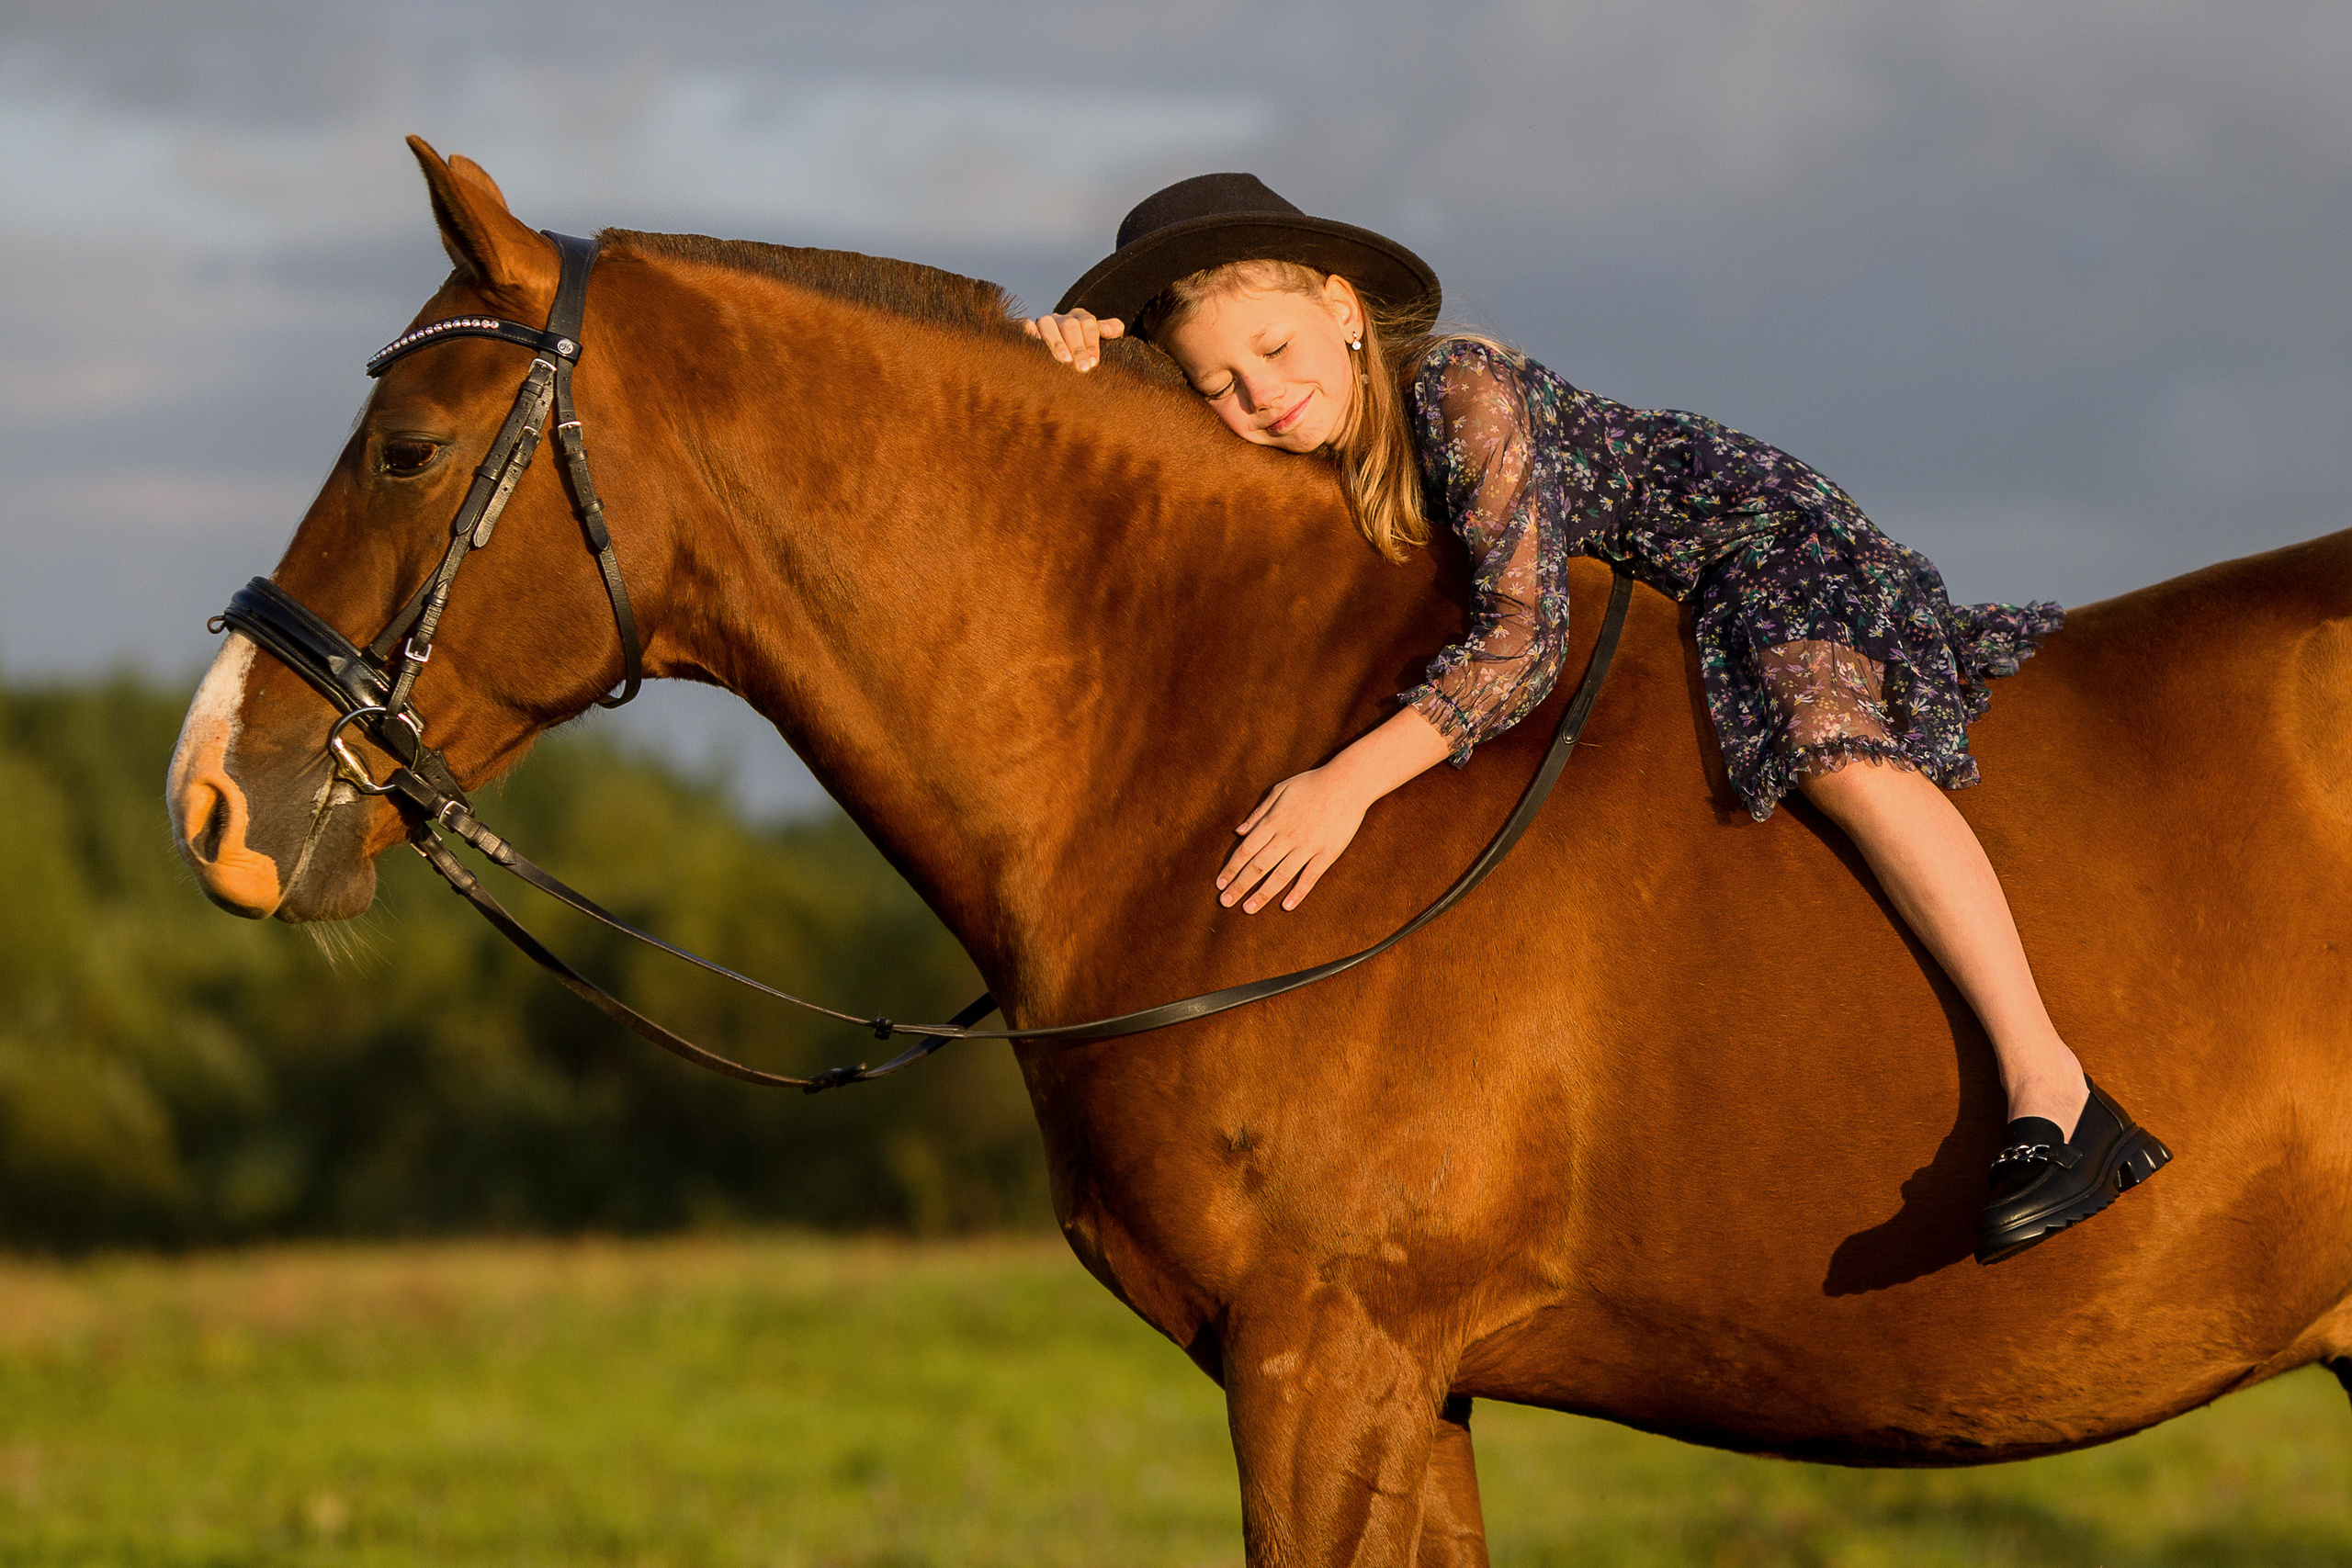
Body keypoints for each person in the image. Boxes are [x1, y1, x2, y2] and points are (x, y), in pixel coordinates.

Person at [1024, 174, 2168, 1265]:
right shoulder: (1322, 439)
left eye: (1273, 350)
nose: (1261, 396)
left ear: (1342, 309)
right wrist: (1083, 359)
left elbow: (1522, 645)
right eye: (1219, 385)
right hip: (1662, 598)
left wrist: (1347, 785)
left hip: (1754, 546)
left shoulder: (1457, 389)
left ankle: (2053, 1087)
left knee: (1835, 756)